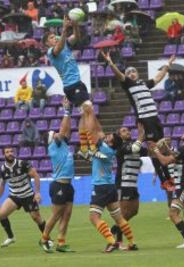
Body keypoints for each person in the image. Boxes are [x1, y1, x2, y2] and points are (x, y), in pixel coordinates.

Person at [101, 51, 176, 190]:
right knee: (154, 150)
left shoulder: (144, 84)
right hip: (145, 120)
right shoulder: (128, 84)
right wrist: (111, 63)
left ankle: (169, 180)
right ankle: (165, 182)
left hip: (155, 119)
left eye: (133, 72)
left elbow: (158, 78)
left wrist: (168, 65)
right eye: (129, 73)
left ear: (137, 74)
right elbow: (119, 75)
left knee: (162, 147)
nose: (131, 74)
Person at [42, 16, 106, 160]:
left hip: (78, 83)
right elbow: (58, 47)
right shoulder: (51, 52)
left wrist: (75, 26)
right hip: (71, 86)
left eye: (54, 36)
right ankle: (94, 147)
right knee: (89, 109)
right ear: (47, 43)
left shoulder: (64, 44)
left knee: (85, 114)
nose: (55, 39)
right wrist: (64, 29)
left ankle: (83, 148)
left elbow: (76, 38)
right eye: (52, 38)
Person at [89, 129, 138, 253]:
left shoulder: (104, 148)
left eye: (110, 136)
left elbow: (93, 134)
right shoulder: (110, 150)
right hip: (110, 187)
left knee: (94, 217)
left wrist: (87, 115)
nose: (108, 135)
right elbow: (92, 153)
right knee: (119, 218)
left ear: (111, 142)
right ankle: (132, 243)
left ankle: (112, 242)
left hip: (101, 186)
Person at [39, 98, 75, 253]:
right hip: (59, 184)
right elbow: (63, 129)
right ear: (50, 139)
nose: (57, 134)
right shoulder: (53, 147)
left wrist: (70, 112)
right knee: (55, 215)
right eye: (53, 134)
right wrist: (66, 111)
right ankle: (44, 238)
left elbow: (67, 129)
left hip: (68, 185)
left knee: (66, 215)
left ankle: (61, 242)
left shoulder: (62, 144)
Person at [0, 146, 47, 248]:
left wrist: (37, 193)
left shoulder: (22, 164)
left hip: (28, 195)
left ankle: (47, 238)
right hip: (14, 196)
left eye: (11, 151)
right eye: (7, 152)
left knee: (36, 218)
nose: (10, 153)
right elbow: (2, 185)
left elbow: (36, 176)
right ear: (4, 155)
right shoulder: (2, 168)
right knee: (2, 215)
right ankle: (11, 237)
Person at [111, 124, 147, 248]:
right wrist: (142, 135)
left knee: (134, 211)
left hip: (133, 184)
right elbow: (135, 148)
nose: (128, 132)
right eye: (124, 131)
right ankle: (118, 241)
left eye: (128, 130)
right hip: (123, 183)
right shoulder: (121, 147)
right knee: (123, 212)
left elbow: (145, 151)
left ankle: (114, 229)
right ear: (120, 136)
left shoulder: (132, 145)